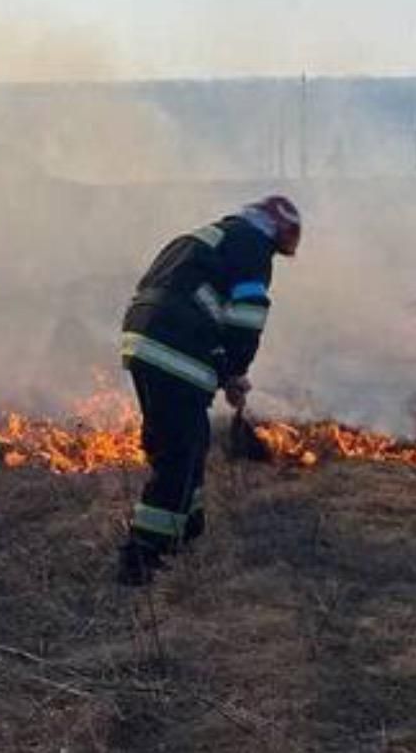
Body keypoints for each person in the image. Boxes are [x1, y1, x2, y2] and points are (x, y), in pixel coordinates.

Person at [115, 195, 301, 585]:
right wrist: (235, 370)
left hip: (142, 340)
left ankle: (187, 528)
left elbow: (189, 298)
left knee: (185, 442)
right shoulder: (252, 245)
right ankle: (143, 557)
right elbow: (247, 316)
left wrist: (222, 366)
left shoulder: (208, 238)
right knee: (180, 454)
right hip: (176, 346)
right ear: (275, 229)